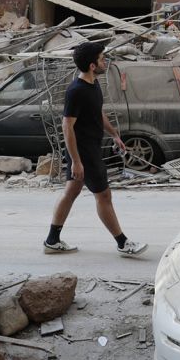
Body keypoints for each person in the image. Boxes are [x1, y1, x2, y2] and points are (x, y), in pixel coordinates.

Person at [43, 41, 147, 257]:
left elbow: (97, 113)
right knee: (104, 196)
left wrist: (115, 135)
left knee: (71, 192)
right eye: (102, 58)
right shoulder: (76, 91)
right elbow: (67, 126)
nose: (105, 61)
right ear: (92, 65)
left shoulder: (93, 85)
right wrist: (77, 161)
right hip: (84, 153)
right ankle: (122, 243)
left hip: (87, 150)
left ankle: (52, 240)